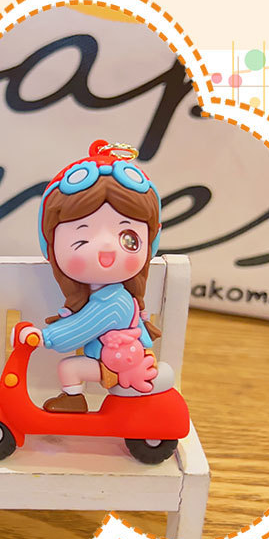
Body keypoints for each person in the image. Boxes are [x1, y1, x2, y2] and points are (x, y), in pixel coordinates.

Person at [21, 139, 173, 412]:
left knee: (69, 367)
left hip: (125, 366)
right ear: (50, 244)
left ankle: (73, 401)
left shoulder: (114, 302)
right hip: (115, 360)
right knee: (71, 366)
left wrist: (44, 337)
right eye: (81, 238)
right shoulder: (107, 297)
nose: (106, 249)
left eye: (128, 239)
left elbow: (82, 329)